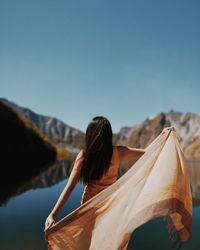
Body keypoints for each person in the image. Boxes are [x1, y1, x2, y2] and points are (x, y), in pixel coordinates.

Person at [44, 116, 146, 233]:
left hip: (89, 207)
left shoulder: (84, 156)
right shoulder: (119, 152)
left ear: (90, 134)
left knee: (89, 240)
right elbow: (147, 153)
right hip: (110, 206)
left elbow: (70, 186)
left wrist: (53, 215)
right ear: (108, 135)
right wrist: (164, 136)